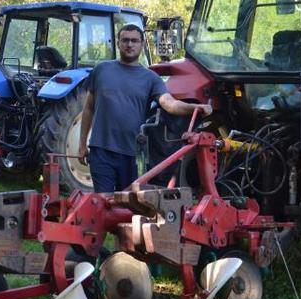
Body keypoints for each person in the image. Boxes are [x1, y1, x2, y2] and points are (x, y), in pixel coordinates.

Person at [78, 24, 212, 193]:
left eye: (134, 41)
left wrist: (194, 107)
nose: (129, 44)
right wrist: (82, 144)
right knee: (101, 201)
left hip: (131, 154)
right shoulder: (101, 70)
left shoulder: (151, 78)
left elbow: (169, 104)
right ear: (118, 43)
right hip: (101, 151)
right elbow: (88, 108)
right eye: (125, 40)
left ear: (142, 44)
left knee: (126, 204)